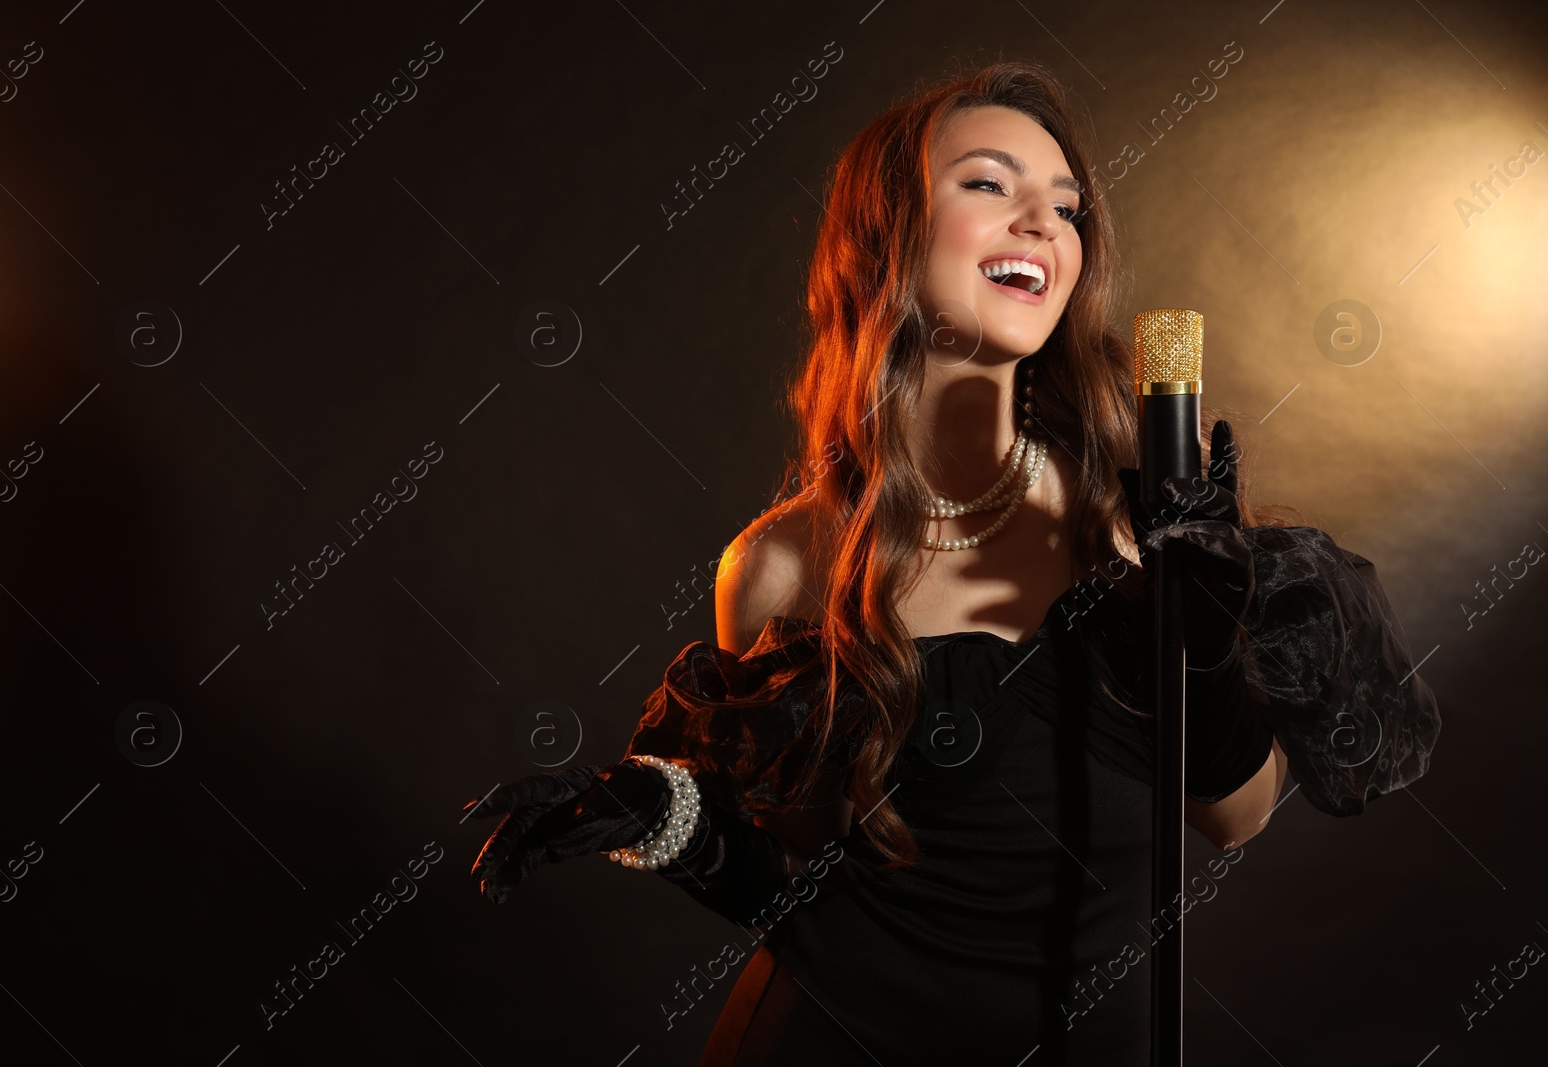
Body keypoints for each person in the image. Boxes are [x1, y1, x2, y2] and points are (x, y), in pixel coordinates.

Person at [461, 61, 1441, 1064]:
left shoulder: (1141, 518)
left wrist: (1194, 641)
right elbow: (807, 888)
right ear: (883, 236)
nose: (1041, 223)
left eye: (1065, 207)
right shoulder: (780, 564)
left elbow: (1233, 817)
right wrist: (666, 815)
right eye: (988, 184)